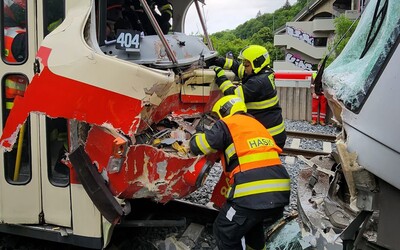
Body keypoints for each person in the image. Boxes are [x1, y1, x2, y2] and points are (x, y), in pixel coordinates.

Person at [190, 95, 291, 250]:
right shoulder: (256, 124)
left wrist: (197, 134)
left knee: (224, 230)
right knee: (252, 225)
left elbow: (200, 146)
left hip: (252, 191)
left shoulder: (228, 123)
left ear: (225, 112)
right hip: (280, 190)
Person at [212, 45, 287, 149]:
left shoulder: (258, 82)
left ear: (256, 63)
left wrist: (220, 76)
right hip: (274, 131)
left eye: (246, 64)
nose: (244, 66)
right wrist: (220, 61)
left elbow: (232, 94)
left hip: (270, 136)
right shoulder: (264, 72)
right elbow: (239, 67)